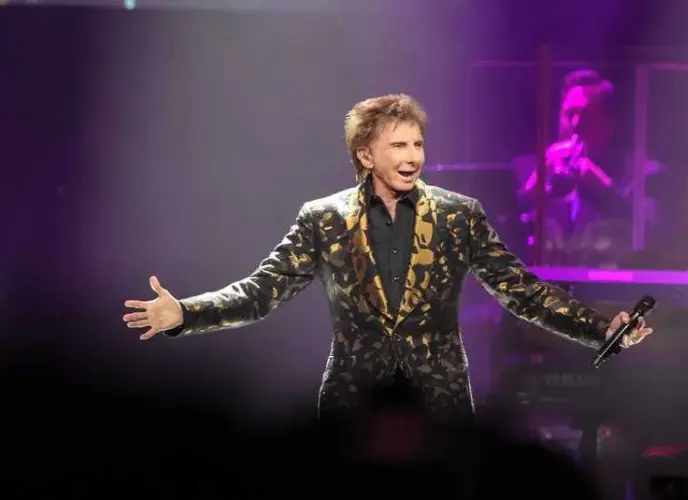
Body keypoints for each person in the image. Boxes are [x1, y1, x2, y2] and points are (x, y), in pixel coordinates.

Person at [122, 93, 652, 425]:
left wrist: (603, 329)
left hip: (437, 400)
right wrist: (186, 314)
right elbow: (263, 292)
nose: (412, 156)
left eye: (417, 144)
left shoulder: (457, 214)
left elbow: (523, 292)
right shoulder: (323, 218)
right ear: (365, 155)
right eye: (397, 145)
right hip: (356, 399)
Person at [511, 69, 668, 269]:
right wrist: (533, 189)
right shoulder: (526, 169)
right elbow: (498, 235)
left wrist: (604, 188)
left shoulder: (644, 174)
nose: (575, 125)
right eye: (569, 114)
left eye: (586, 115)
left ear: (609, 124)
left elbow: (654, 238)